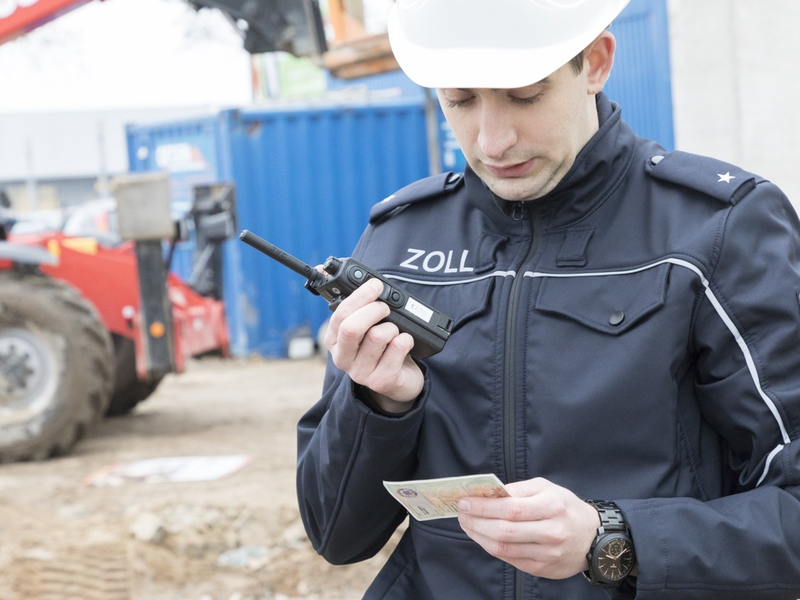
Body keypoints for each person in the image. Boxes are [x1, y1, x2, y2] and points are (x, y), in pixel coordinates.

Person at [296, 0, 800, 598]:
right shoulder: (399, 240)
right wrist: (380, 408)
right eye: (459, 101)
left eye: (525, 96)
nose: (493, 139)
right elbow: (336, 534)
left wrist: (613, 539)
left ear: (595, 62)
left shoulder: (715, 231)